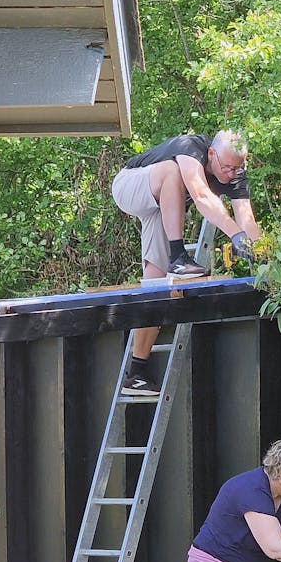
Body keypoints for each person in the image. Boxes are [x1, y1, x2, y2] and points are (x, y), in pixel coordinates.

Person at [112, 129, 260, 396]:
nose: (230, 175)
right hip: (130, 185)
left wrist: (261, 256)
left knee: (155, 286)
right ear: (212, 154)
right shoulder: (191, 147)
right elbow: (202, 196)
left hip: (159, 209)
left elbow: (247, 219)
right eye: (226, 167)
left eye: (237, 169)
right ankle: (178, 255)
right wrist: (235, 234)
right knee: (171, 171)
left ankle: (136, 372)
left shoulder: (235, 173)